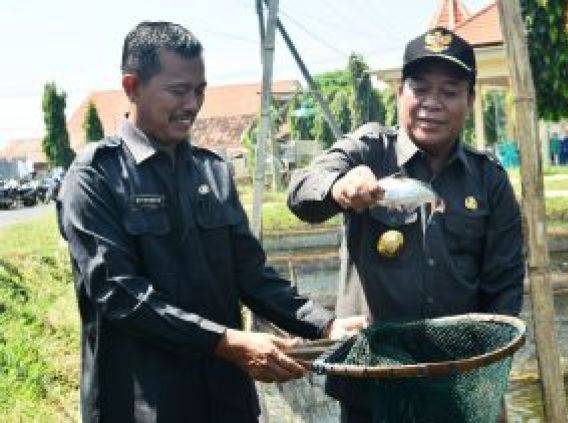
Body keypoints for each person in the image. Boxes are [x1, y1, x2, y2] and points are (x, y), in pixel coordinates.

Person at [57, 21, 364, 423]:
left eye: (199, 90)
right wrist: (225, 341)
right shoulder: (95, 177)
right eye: (178, 90)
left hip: (223, 401)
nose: (192, 104)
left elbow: (250, 274)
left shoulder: (212, 172)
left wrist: (325, 325)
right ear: (132, 87)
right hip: (142, 406)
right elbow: (119, 294)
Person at [287, 27, 524, 422]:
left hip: (455, 382)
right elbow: (300, 191)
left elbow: (504, 284)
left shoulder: (489, 179)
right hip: (371, 380)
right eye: (419, 88)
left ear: (470, 100)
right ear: (400, 94)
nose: (432, 103)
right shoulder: (368, 150)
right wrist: (338, 187)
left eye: (449, 92)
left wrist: (489, 374)